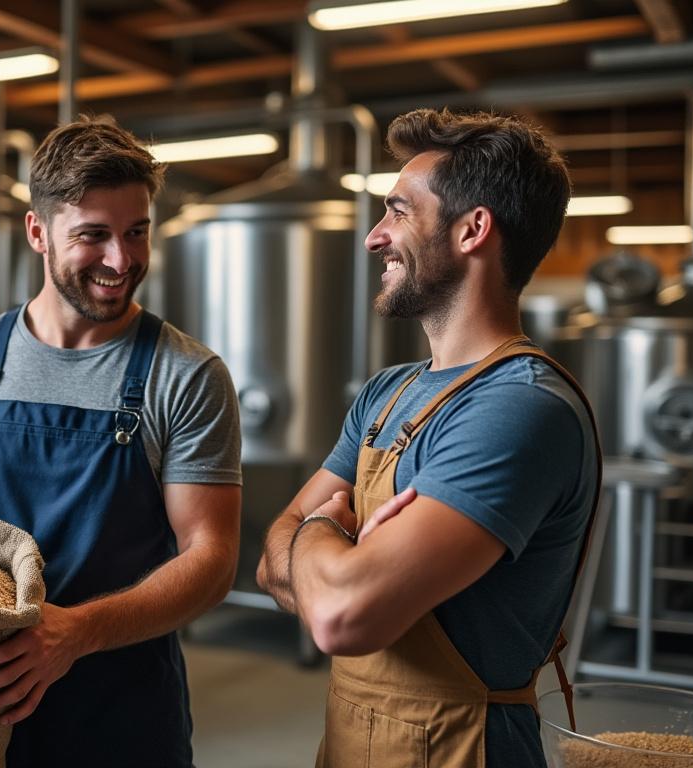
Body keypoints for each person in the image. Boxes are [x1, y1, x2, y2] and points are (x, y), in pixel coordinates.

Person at [0, 116, 241, 768]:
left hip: (122, 710)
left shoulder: (187, 376)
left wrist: (76, 633)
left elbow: (211, 559)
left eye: (137, 234)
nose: (121, 260)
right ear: (38, 232)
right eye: (93, 236)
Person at [257, 108, 601, 768]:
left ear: (473, 230)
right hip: (349, 741)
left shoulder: (518, 407)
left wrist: (315, 532)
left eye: (398, 212)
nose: (373, 237)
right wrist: (331, 547)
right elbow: (267, 565)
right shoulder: (386, 393)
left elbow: (340, 617)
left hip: (460, 748)